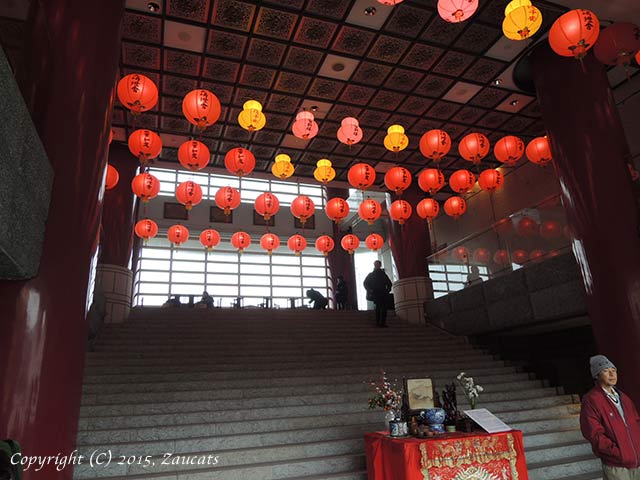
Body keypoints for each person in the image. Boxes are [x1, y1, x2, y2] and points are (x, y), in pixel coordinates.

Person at [580, 355, 640, 479]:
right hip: (616, 466)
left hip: (637, 463)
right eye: (606, 371)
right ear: (597, 375)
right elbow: (594, 434)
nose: (612, 374)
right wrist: (618, 454)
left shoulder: (624, 397)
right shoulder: (592, 400)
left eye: (614, 370)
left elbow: (637, 423)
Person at [363, 260, 392, 327]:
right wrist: (370, 290)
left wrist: (387, 290)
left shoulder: (382, 274)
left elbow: (389, 283)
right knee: (378, 308)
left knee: (383, 308)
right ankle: (378, 322)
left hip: (382, 293)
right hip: (376, 293)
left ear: (380, 265)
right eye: (376, 264)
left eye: (377, 264)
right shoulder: (372, 274)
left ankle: (382, 323)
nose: (377, 266)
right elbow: (365, 283)